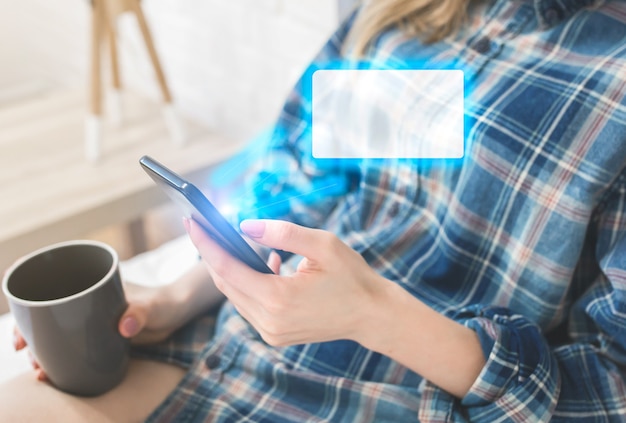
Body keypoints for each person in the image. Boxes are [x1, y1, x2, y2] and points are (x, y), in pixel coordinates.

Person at [2, 0, 626, 421]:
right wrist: (181, 296)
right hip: (220, 354)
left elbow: (610, 391)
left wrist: (374, 315)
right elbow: (299, 187)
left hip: (388, 398)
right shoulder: (400, 17)